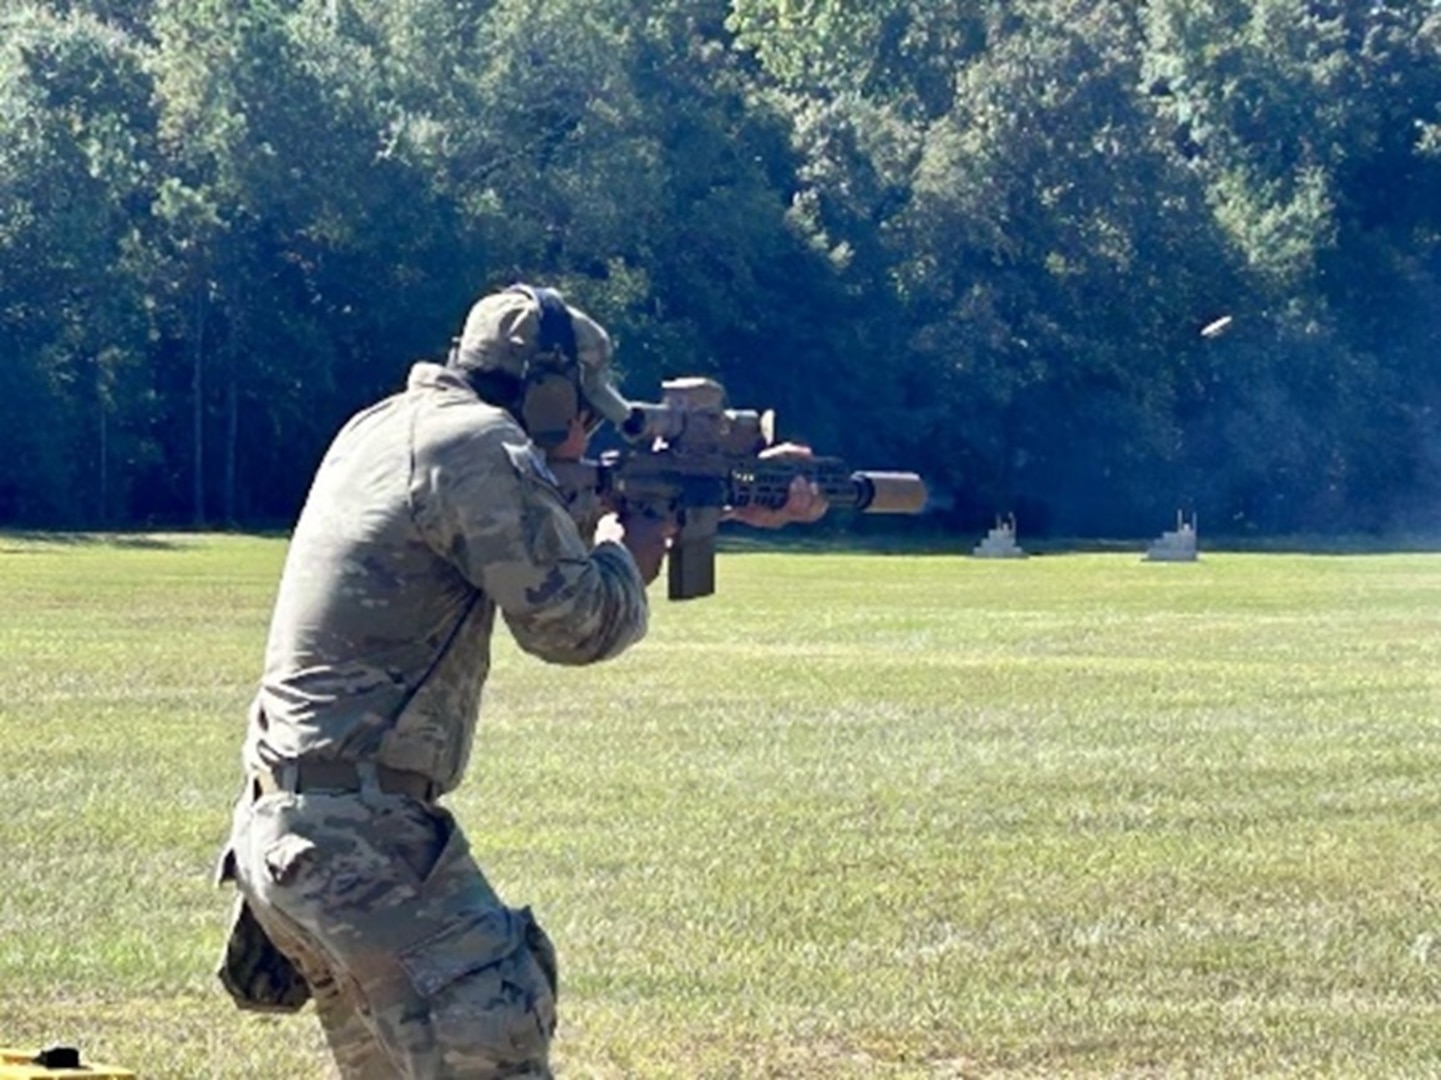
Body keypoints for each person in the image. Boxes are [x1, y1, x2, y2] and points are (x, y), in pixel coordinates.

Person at [215, 284, 825, 1079]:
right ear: (543, 394)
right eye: (583, 409)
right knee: (498, 1032)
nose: (588, 429)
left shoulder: (390, 426)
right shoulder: (477, 446)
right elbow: (573, 623)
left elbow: (523, 527)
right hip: (360, 839)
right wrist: (625, 554)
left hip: (291, 830)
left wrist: (726, 502)